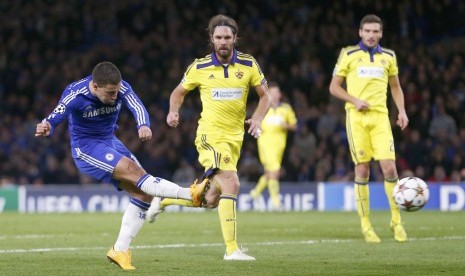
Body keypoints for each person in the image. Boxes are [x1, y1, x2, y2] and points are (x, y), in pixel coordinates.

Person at [35, 61, 209, 270]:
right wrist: (47, 126)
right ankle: (190, 194)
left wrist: (143, 124)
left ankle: (119, 250)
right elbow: (57, 114)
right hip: (87, 147)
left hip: (110, 141)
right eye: (110, 93)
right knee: (135, 172)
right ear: (95, 86)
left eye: (116, 91)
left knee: (144, 193)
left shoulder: (120, 87)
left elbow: (136, 104)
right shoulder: (76, 93)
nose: (115, 96)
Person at [147, 14, 271, 261]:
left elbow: (265, 96)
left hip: (235, 139)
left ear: (235, 38)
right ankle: (232, 249)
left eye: (227, 37)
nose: (223, 42)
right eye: (218, 37)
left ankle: (165, 200)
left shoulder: (248, 64)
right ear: (211, 40)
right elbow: (178, 92)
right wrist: (173, 111)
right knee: (232, 183)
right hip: (210, 136)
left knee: (211, 199)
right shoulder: (200, 67)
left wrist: (257, 119)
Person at [329, 14, 409, 243]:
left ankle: (397, 222)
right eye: (368, 31)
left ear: (381, 33)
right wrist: (354, 100)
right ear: (360, 33)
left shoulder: (389, 56)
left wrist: (401, 111)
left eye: (376, 31)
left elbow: (396, 87)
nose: (372, 35)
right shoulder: (349, 54)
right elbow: (334, 87)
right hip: (356, 118)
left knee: (390, 168)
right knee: (362, 170)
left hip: (381, 117)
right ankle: (366, 226)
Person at [249, 82, 297, 210]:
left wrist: (285, 126)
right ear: (268, 94)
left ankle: (255, 193)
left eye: (277, 92)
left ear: (280, 94)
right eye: (272, 92)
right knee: (275, 172)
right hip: (265, 145)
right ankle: (276, 203)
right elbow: (254, 121)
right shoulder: (263, 107)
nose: (275, 95)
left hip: (279, 147)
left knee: (270, 173)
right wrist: (257, 127)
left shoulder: (286, 109)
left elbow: (294, 125)